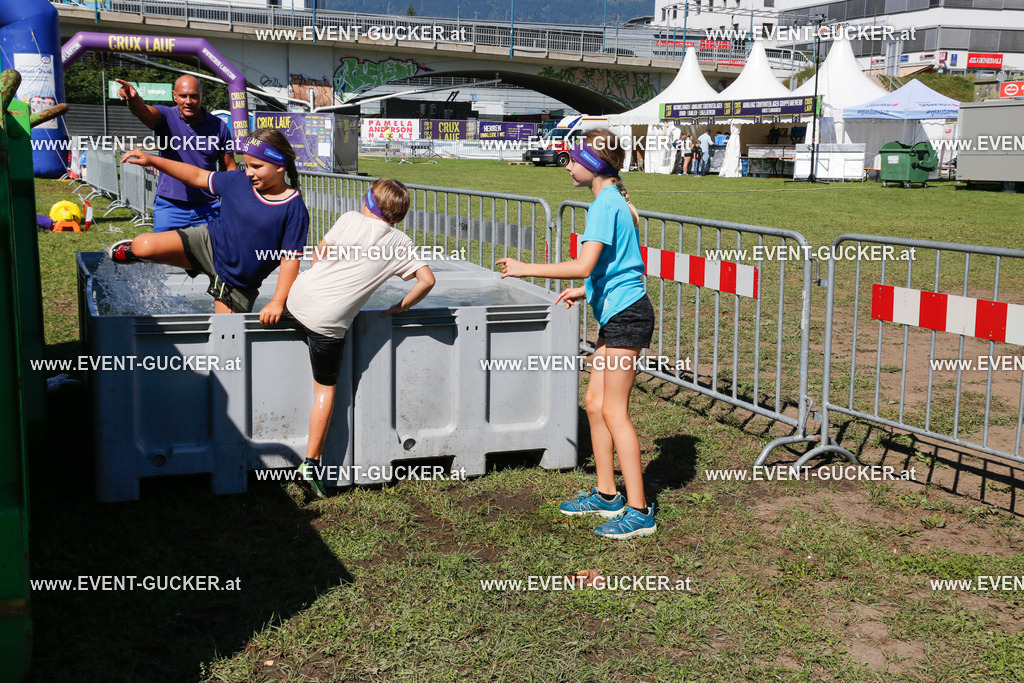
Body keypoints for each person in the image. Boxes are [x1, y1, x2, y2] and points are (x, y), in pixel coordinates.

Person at [496, 128, 656, 540]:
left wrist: (524, 268)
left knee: (614, 411)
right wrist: (585, 291)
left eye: (572, 158)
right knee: (593, 402)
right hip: (617, 314)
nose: (566, 165)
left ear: (594, 164)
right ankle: (606, 494)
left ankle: (639, 510)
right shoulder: (610, 200)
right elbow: (618, 265)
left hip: (627, 317)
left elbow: (585, 263)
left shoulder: (606, 204)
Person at [281, 179, 436, 497]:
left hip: (296, 299)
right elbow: (427, 280)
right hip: (328, 323)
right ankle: (310, 464)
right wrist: (401, 306)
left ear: (369, 202)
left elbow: (318, 256)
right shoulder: (401, 243)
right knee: (325, 391)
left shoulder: (349, 218)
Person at [108, 128, 308, 320]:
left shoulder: (294, 208)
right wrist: (153, 160)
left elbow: (290, 260)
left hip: (237, 283)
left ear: (280, 165)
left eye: (256, 166)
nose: (248, 172)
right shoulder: (237, 181)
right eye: (246, 165)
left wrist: (277, 302)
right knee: (143, 246)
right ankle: (136, 252)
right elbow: (196, 176)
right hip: (208, 244)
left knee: (226, 338)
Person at [116, 75, 237, 232]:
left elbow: (229, 166)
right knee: (162, 255)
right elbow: (145, 113)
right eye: (183, 96)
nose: (188, 101)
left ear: (203, 96)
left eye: (193, 96)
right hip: (169, 205)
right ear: (174, 96)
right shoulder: (166, 116)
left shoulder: (219, 126)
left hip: (208, 207)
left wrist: (235, 197)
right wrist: (133, 99)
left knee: (212, 255)